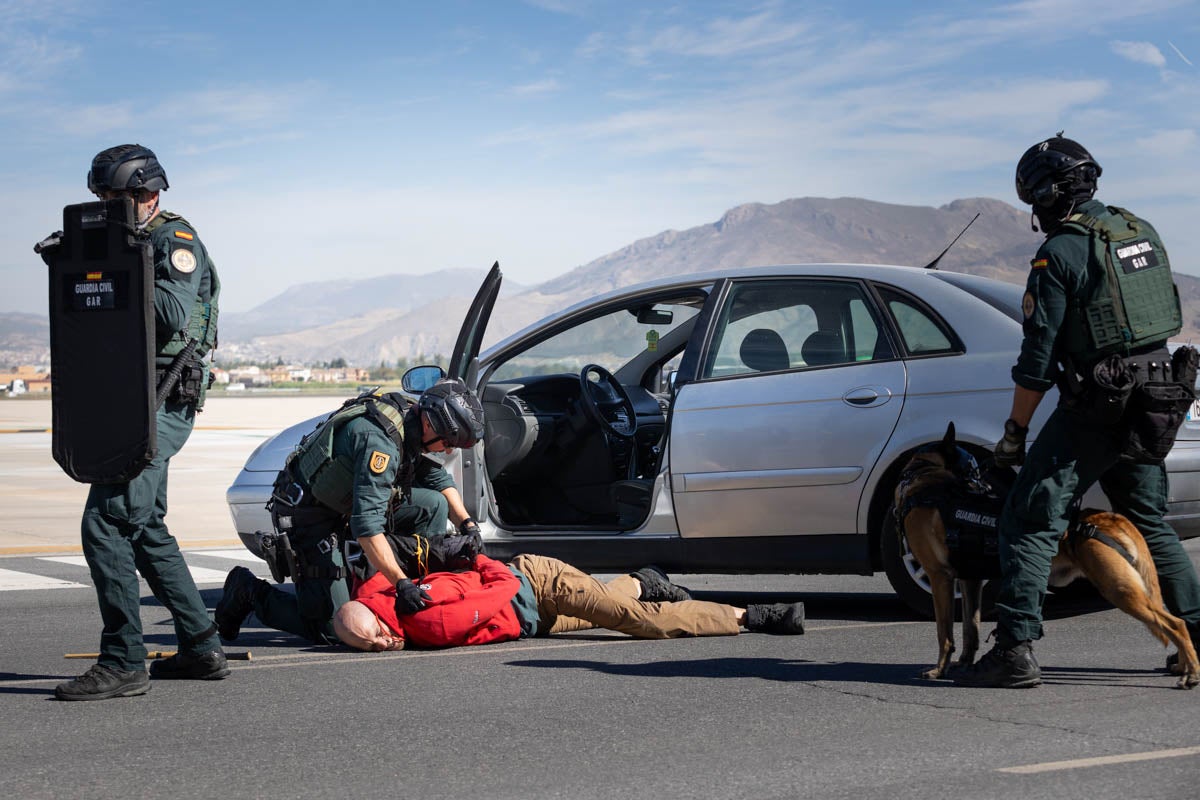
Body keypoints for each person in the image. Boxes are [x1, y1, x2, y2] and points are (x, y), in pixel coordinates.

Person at [955, 134, 1200, 688]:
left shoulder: (1059, 251)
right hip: (1155, 399)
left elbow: (1037, 361)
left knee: (1029, 515)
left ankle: (1014, 649)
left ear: (1048, 194)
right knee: (1147, 520)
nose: (1035, 213)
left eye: (1034, 201)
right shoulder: (1136, 231)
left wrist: (1014, 433)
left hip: (1099, 406)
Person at [53, 144, 227, 700]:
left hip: (164, 399)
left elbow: (172, 312)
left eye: (119, 197)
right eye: (103, 197)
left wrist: (125, 257)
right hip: (125, 395)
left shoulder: (173, 241)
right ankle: (201, 645)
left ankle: (124, 659)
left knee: (105, 520)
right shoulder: (122, 238)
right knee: (144, 524)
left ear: (149, 194)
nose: (110, 206)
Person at [214, 378, 487, 645]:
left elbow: (437, 479)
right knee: (333, 627)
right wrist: (402, 583)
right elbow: (368, 528)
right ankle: (248, 591)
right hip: (309, 517)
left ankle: (418, 596)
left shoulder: (413, 422)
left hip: (345, 507)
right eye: (449, 442)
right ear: (429, 423)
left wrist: (467, 524)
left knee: (431, 505)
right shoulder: (380, 445)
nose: (449, 449)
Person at [333, 553, 807, 651]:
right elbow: (363, 592)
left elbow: (502, 589)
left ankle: (754, 616)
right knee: (610, 607)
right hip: (533, 621)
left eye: (374, 637)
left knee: (643, 624)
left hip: (537, 584)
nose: (379, 645)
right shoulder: (375, 596)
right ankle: (644, 580)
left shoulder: (427, 623)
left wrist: (476, 557)